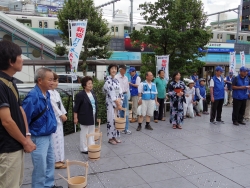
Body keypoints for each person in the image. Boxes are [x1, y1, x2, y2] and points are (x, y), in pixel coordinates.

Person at [0, 41, 36, 188]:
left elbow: (20, 110)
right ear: (10, 60)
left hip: (16, 145)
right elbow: (6, 121)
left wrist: (27, 135)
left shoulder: (10, 81)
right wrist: (25, 141)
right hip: (7, 148)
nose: (22, 59)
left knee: (16, 183)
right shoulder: (1, 84)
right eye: (20, 55)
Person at [22, 67, 62, 188]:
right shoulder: (32, 97)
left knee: (50, 162)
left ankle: (49, 185)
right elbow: (24, 118)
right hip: (38, 136)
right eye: (50, 80)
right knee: (41, 166)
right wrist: (27, 137)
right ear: (40, 80)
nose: (52, 82)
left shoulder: (47, 94)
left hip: (47, 134)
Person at [74, 76, 97, 153]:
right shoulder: (80, 95)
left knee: (91, 131)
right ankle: (83, 148)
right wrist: (75, 118)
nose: (90, 85)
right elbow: (76, 107)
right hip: (84, 116)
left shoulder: (92, 93)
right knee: (84, 132)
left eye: (91, 83)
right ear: (84, 85)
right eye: (89, 83)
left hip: (92, 115)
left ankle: (91, 145)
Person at [49, 72, 67, 169]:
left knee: (60, 139)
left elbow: (60, 105)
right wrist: (61, 114)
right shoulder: (48, 93)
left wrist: (64, 113)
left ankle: (60, 159)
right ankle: (56, 161)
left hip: (59, 119)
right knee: (55, 140)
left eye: (57, 81)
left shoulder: (56, 93)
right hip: (54, 119)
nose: (56, 83)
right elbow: (54, 106)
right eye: (55, 80)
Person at [103, 64, 123, 145]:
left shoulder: (116, 81)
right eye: (112, 69)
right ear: (109, 70)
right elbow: (111, 94)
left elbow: (120, 92)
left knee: (116, 120)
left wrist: (120, 99)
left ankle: (115, 136)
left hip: (117, 103)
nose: (114, 70)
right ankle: (110, 138)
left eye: (115, 69)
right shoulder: (108, 81)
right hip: (111, 103)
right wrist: (117, 102)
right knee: (111, 120)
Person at [115, 65, 131, 134]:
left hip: (125, 95)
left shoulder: (126, 78)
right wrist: (117, 98)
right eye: (124, 69)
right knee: (120, 111)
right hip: (119, 96)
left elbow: (127, 88)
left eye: (125, 69)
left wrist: (127, 95)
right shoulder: (116, 77)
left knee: (126, 111)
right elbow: (116, 88)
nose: (125, 70)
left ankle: (126, 128)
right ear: (120, 69)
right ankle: (120, 127)